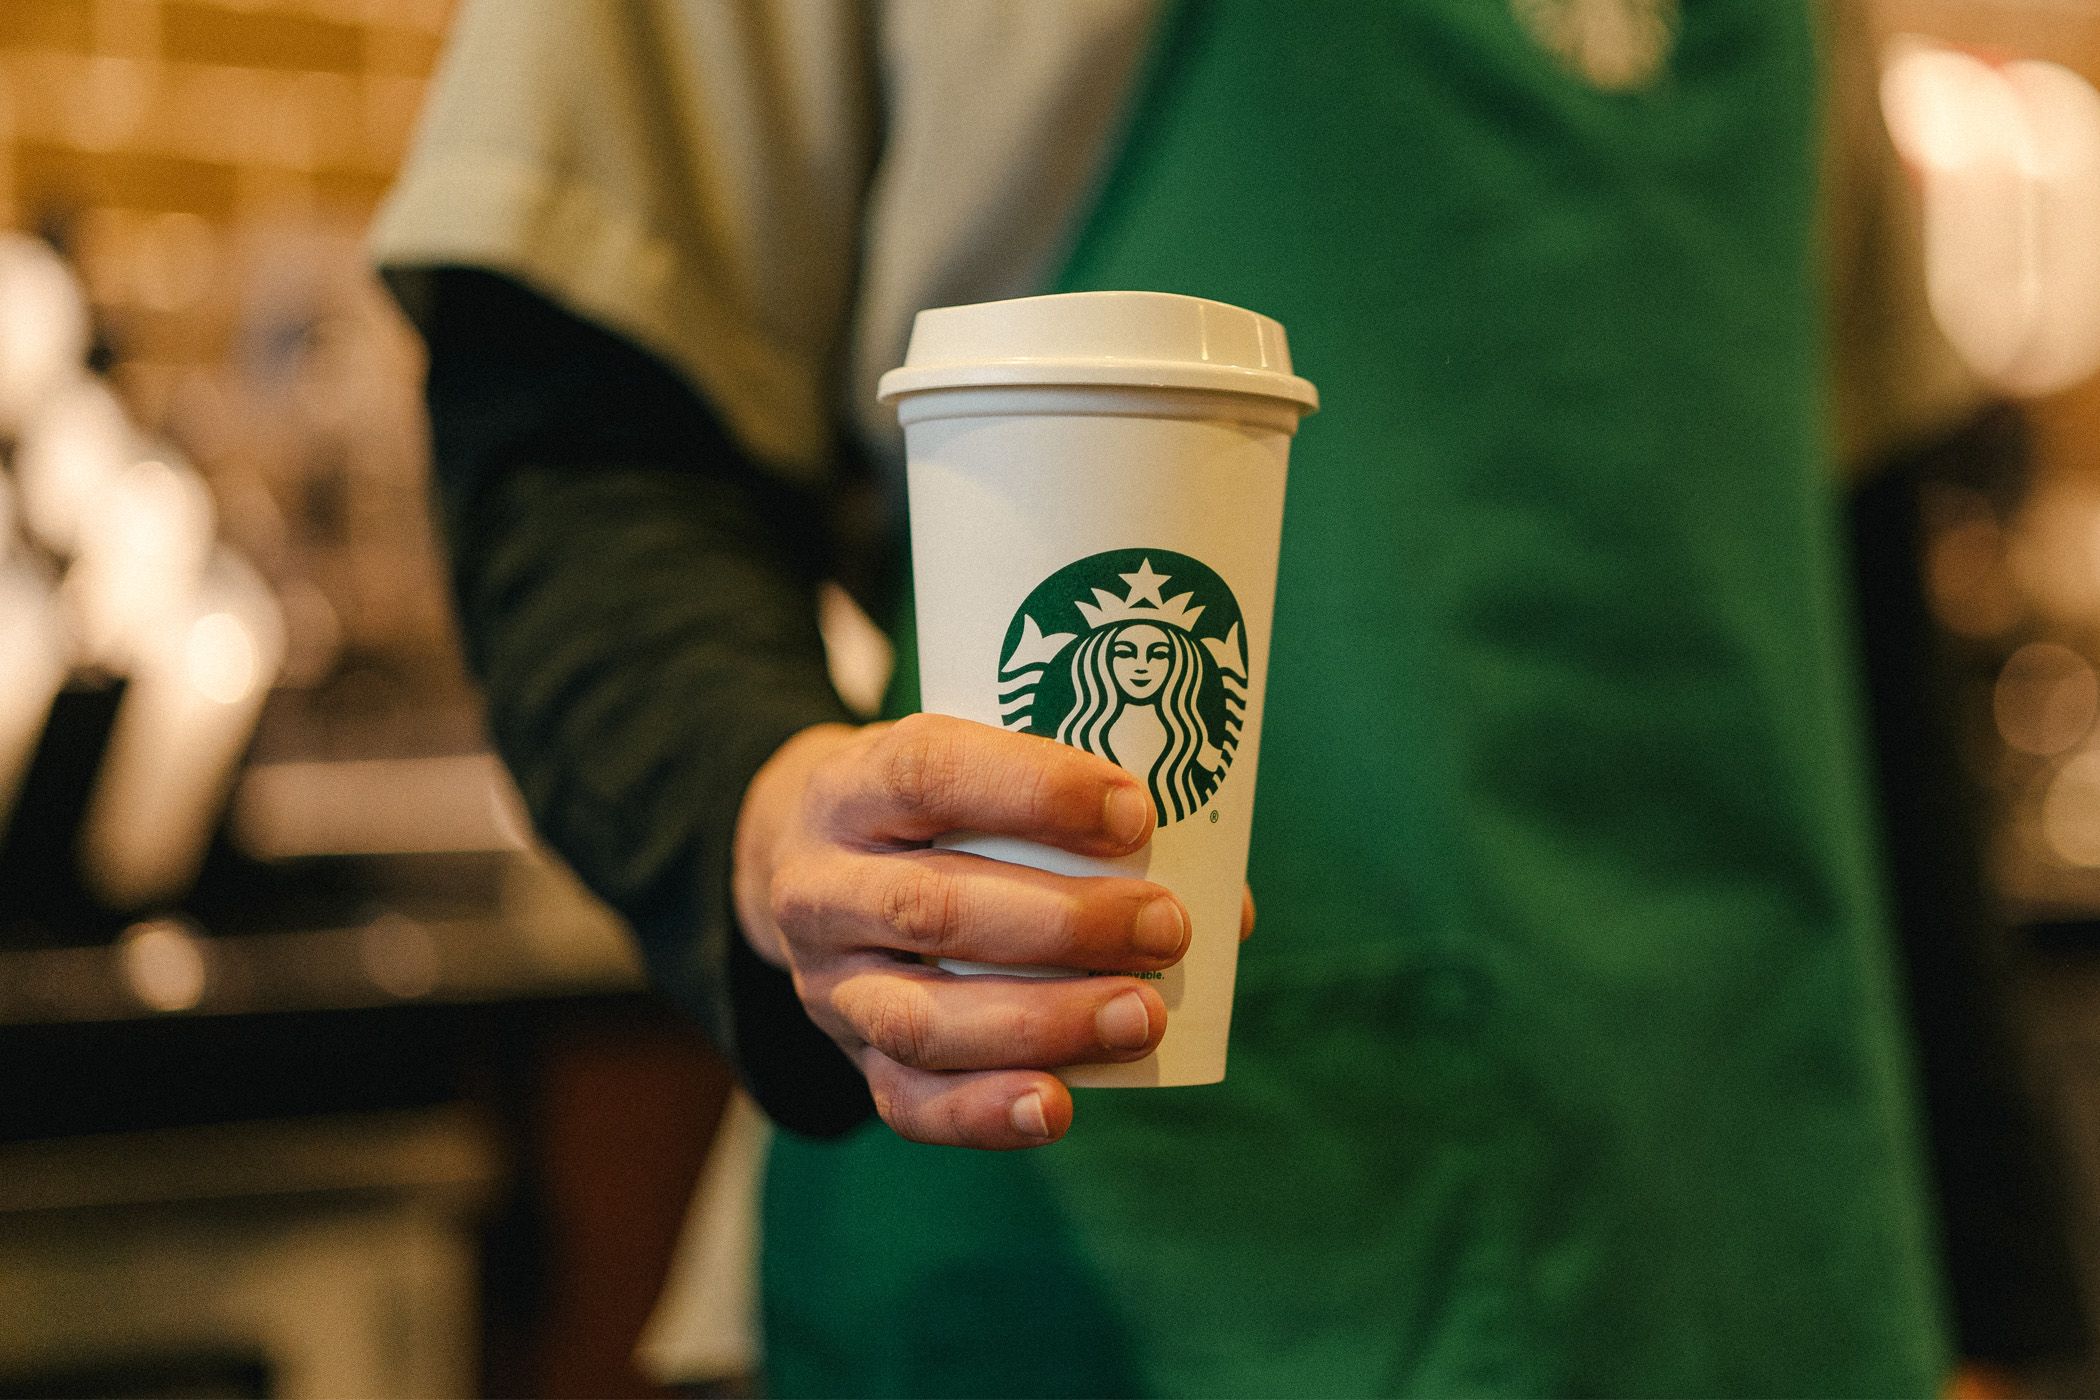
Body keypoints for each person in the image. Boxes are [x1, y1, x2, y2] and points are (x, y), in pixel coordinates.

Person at [374, 2, 1954, 1393]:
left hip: (1767, 1249)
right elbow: (579, 432)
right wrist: (758, 805)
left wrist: (1997, 1282)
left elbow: (1859, 582)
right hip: (1134, 1274)